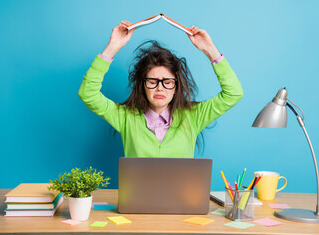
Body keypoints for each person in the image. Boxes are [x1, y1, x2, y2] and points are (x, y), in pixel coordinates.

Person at [78, 21, 243, 158]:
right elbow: (88, 93)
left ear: (176, 86)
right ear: (143, 85)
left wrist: (210, 49)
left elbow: (233, 93)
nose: (160, 88)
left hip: (181, 198)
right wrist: (112, 47)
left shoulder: (194, 116)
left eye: (167, 82)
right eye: (152, 81)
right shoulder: (125, 117)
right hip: (138, 197)